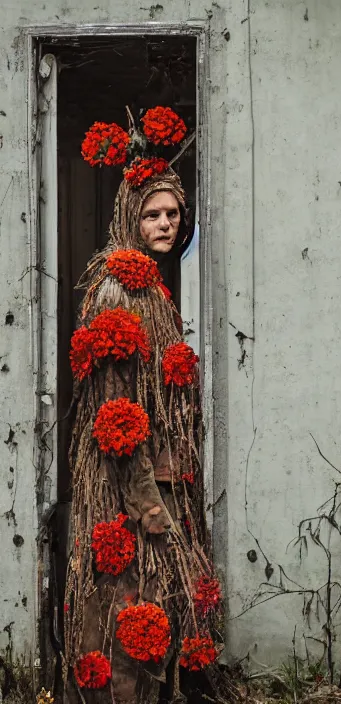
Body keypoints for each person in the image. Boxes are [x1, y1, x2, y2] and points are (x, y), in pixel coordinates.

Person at [63, 109, 221, 702]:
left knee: (159, 598)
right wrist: (147, 506)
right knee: (126, 599)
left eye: (173, 214)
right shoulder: (116, 290)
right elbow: (116, 413)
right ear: (131, 217)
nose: (164, 223)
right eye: (152, 214)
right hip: (129, 487)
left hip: (161, 473)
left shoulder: (153, 285)